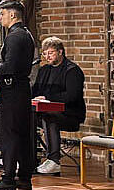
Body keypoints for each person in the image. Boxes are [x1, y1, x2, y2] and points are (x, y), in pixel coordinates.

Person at [0, 0, 36, 190]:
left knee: (9, 135)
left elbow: (10, 67)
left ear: (12, 14)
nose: (0, 17)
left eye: (2, 13)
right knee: (22, 134)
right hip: (21, 90)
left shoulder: (14, 37)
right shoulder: (26, 34)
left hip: (12, 91)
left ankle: (7, 178)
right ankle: (24, 178)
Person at [33, 36, 86, 175]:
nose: (47, 57)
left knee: (49, 117)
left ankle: (54, 161)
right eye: (45, 53)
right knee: (25, 116)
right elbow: (36, 91)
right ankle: (26, 158)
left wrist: (47, 98)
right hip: (45, 111)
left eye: (50, 53)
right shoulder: (44, 70)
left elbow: (72, 96)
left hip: (70, 115)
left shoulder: (72, 70)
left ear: (60, 52)